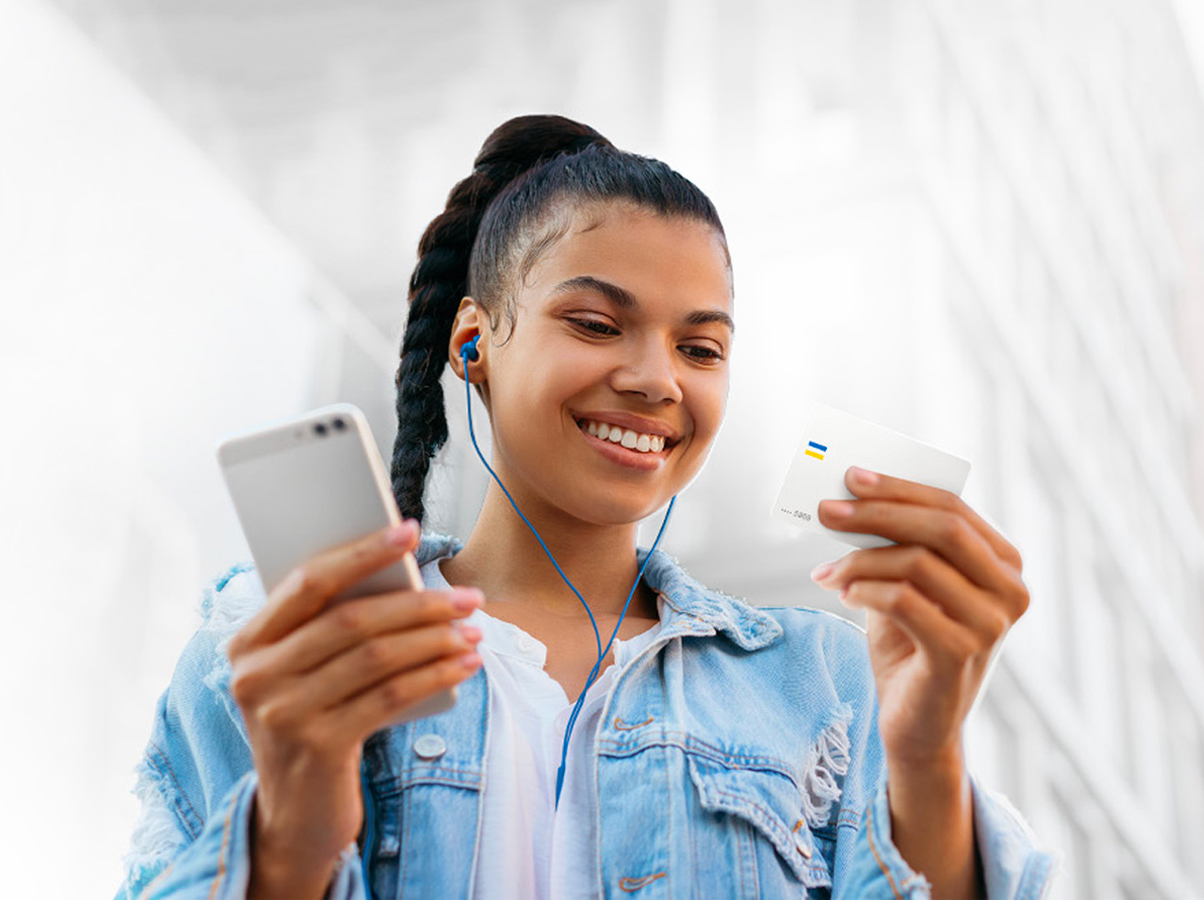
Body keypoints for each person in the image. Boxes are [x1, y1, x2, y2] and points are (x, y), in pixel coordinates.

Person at [115, 114, 1054, 900]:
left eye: (701, 349)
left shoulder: (825, 681)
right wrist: (290, 838)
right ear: (476, 342)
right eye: (597, 325)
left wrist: (927, 756)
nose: (655, 380)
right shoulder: (280, 642)